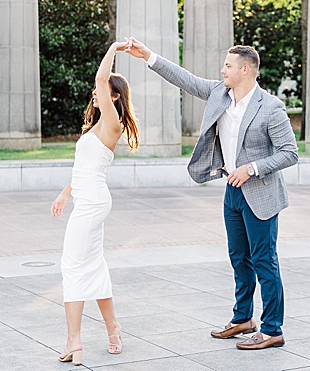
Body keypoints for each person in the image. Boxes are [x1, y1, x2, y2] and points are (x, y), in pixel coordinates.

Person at [125, 38, 298, 350]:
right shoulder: (220, 93)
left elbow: (290, 153)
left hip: (260, 195)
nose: (223, 70)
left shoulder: (271, 107)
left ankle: (273, 329)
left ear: (246, 70)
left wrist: (252, 168)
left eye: (228, 66)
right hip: (232, 193)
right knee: (238, 258)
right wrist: (147, 55)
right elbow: (186, 80)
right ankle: (243, 318)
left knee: (264, 261)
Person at [50, 40, 139, 365]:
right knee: (93, 266)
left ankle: (74, 341)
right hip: (86, 198)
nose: (95, 93)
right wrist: (64, 192)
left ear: (114, 97)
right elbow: (83, 168)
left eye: (102, 91)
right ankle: (113, 328)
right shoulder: (96, 126)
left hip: (93, 204)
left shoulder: (112, 123)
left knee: (71, 266)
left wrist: (114, 47)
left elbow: (102, 79)